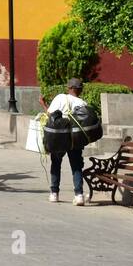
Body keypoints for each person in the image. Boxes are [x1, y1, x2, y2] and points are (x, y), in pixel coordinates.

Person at [43, 77, 89, 206]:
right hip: (75, 139)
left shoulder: (60, 98)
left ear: (69, 88)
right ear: (79, 90)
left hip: (59, 137)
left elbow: (49, 114)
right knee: (76, 166)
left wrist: (43, 104)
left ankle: (54, 194)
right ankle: (79, 195)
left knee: (56, 163)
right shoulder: (82, 103)